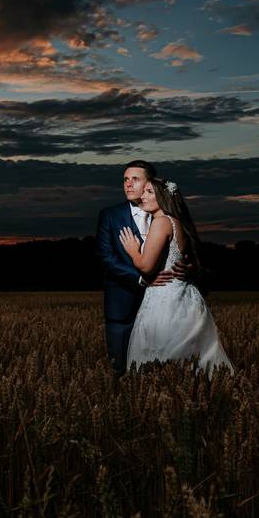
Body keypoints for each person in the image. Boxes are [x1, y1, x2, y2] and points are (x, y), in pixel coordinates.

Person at [118, 177, 233, 377]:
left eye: (148, 192)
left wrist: (133, 250)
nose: (142, 195)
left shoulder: (161, 222)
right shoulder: (175, 222)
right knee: (187, 361)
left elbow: (146, 266)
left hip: (165, 300)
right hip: (183, 297)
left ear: (162, 197)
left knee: (159, 358)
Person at [96, 160, 188, 375]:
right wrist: (141, 279)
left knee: (163, 370)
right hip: (123, 304)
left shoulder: (168, 219)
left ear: (152, 184)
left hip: (165, 307)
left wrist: (186, 266)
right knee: (119, 369)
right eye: (125, 179)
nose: (128, 184)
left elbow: (185, 252)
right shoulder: (110, 215)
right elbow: (105, 258)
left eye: (135, 179)